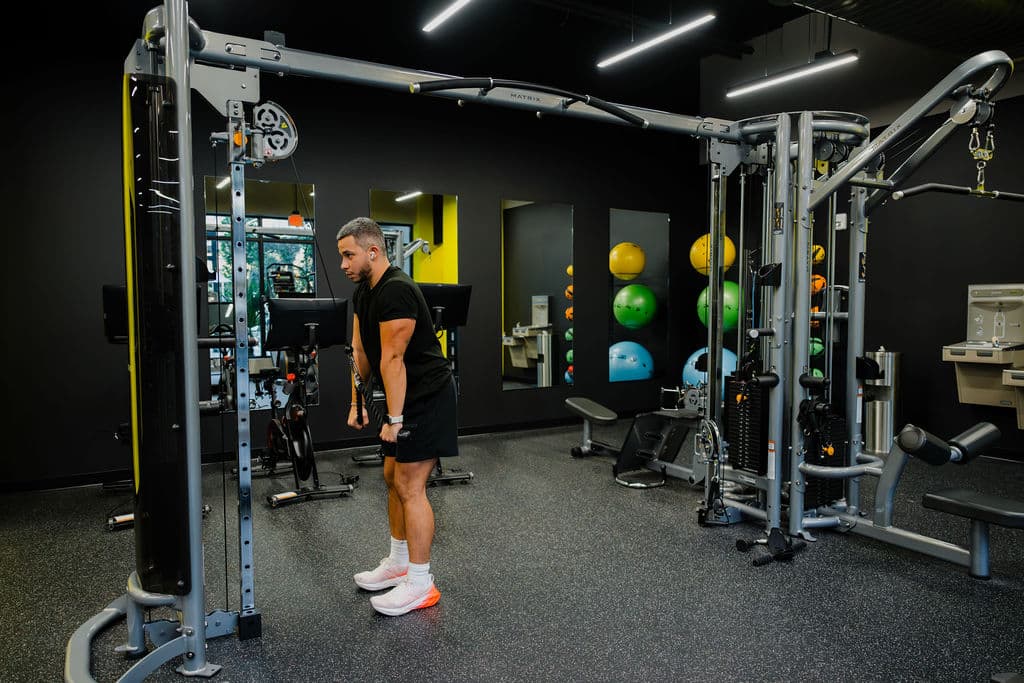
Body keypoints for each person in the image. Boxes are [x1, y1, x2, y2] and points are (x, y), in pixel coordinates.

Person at [337, 217, 458, 617]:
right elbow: (362, 353)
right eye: (341, 256)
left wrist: (395, 417)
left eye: (348, 255)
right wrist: (357, 403)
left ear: (373, 252)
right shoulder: (364, 294)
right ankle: (399, 561)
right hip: (401, 397)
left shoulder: (398, 292)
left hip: (425, 397)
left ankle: (422, 584)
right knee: (391, 477)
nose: (344, 264)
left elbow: (393, 358)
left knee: (410, 484)